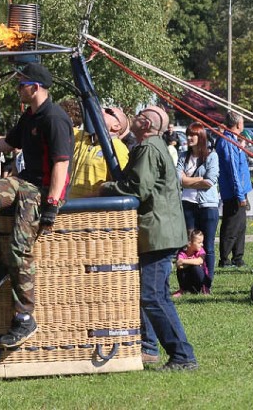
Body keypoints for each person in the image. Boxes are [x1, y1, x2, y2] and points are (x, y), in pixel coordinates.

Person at [0, 62, 74, 347]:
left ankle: (25, 318)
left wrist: (52, 204)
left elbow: (61, 165)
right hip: (24, 181)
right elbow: (6, 143)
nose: (17, 89)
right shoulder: (30, 116)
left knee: (19, 248)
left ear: (35, 87)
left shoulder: (55, 118)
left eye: (21, 84)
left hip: (42, 188)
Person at [102, 105, 198, 371]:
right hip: (164, 230)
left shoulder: (146, 149)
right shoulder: (157, 146)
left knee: (152, 297)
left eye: (138, 115)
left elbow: (138, 188)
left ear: (145, 124)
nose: (133, 118)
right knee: (159, 296)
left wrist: (106, 187)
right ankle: (167, 351)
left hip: (157, 232)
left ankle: (182, 355)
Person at [177, 121, 219, 291]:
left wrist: (187, 180)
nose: (189, 138)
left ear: (201, 137)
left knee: (207, 246)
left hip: (207, 206)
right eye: (188, 134)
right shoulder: (182, 156)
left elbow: (209, 181)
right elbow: (177, 179)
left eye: (193, 135)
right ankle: (188, 284)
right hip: (187, 205)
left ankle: (206, 284)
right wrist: (195, 181)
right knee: (188, 244)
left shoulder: (211, 156)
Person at [215, 111, 252, 269]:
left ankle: (238, 257)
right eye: (242, 122)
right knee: (231, 225)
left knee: (241, 225)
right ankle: (225, 259)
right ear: (238, 124)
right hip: (233, 192)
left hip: (241, 189)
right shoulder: (227, 141)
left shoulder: (234, 140)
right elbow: (233, 170)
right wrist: (239, 194)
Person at [69, 106, 130, 199]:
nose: (102, 110)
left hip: (91, 210)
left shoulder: (118, 147)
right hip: (68, 208)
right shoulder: (81, 137)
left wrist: (94, 197)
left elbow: (121, 185)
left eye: (109, 111)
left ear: (116, 126)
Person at [174, 229, 208, 297]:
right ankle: (183, 289)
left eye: (202, 242)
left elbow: (200, 261)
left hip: (200, 281)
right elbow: (178, 265)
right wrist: (188, 263)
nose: (202, 244)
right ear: (189, 243)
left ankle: (204, 288)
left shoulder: (201, 251)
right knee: (180, 269)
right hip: (188, 281)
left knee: (196, 267)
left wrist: (184, 261)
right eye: (199, 242)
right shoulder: (182, 253)